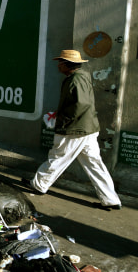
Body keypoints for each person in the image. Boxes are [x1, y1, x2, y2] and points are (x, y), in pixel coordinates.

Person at [22, 49, 122, 210]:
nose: (58, 66)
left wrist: (63, 119)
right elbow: (79, 103)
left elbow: (80, 105)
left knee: (57, 157)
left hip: (75, 129)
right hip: (88, 128)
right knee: (94, 164)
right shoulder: (82, 77)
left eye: (60, 62)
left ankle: (39, 185)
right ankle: (111, 199)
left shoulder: (74, 80)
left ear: (67, 64)